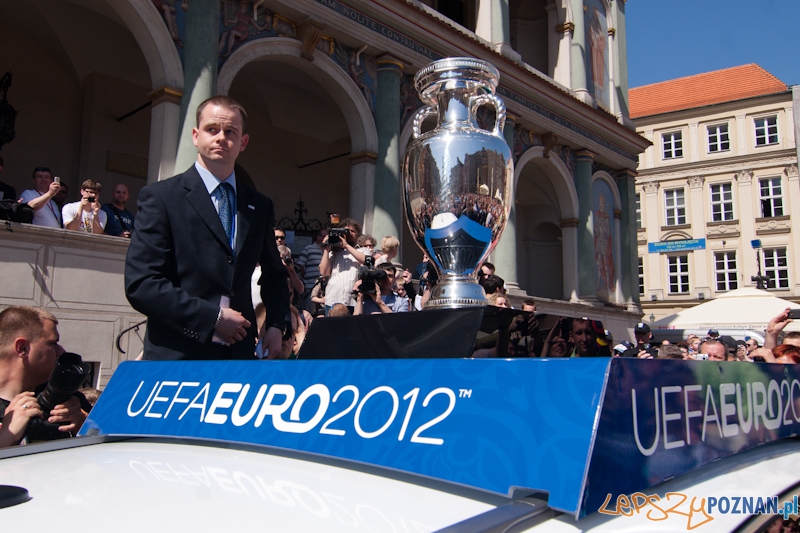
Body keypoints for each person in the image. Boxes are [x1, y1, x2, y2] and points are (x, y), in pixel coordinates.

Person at [125, 95, 291, 360]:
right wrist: (212, 318)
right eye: (212, 129)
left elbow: (274, 275)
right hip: (179, 354)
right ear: (195, 135)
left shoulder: (259, 206)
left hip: (238, 355)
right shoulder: (161, 198)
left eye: (230, 131)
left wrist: (277, 325)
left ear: (243, 142)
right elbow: (142, 284)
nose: (221, 137)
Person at [0, 306, 88, 447]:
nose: (61, 351)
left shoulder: (67, 399)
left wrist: (82, 424)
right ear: (22, 348)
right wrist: (5, 437)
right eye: (52, 343)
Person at [319, 217, 371, 312]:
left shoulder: (363, 250)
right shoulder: (334, 253)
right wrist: (326, 249)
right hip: (333, 299)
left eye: (352, 231)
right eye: (346, 231)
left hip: (352, 301)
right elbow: (324, 272)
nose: (349, 234)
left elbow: (366, 260)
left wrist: (346, 246)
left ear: (358, 234)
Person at [296, 228, 327, 312]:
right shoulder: (308, 249)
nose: (327, 238)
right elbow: (300, 265)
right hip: (310, 287)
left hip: (325, 289)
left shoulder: (329, 251)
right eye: (324, 236)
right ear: (318, 237)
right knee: (309, 313)